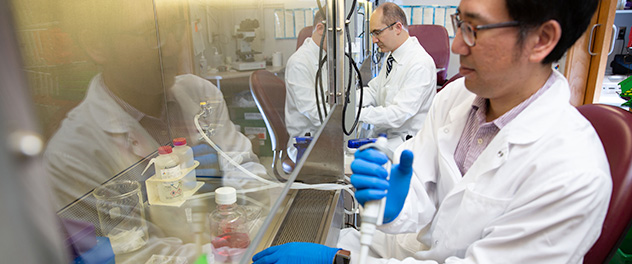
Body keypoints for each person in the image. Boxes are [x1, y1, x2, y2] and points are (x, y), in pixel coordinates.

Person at [252, 0, 612, 263]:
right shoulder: (460, 96)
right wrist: (395, 206)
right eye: (459, 22)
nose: (455, 46)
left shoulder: (573, 173)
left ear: (541, 40)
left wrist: (339, 261)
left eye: (473, 28)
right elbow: (423, 193)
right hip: (402, 249)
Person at [44, 0, 267, 209]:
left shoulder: (201, 94)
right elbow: (132, 245)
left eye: (175, 27)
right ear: (97, 45)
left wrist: (231, 182)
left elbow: (246, 169)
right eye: (153, 34)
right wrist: (158, 204)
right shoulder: (70, 156)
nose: (172, 47)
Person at [358, 2, 437, 151]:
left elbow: (399, 114)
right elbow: (374, 90)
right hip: (388, 137)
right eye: (372, 34)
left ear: (398, 27)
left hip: (407, 145)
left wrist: (358, 114)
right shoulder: (392, 56)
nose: (374, 40)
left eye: (377, 32)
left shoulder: (420, 63)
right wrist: (348, 101)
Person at [284, 9, 328, 162]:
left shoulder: (326, 56)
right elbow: (315, 113)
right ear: (321, 28)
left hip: (325, 136)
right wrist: (353, 118)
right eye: (339, 33)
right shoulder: (299, 63)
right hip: (306, 145)